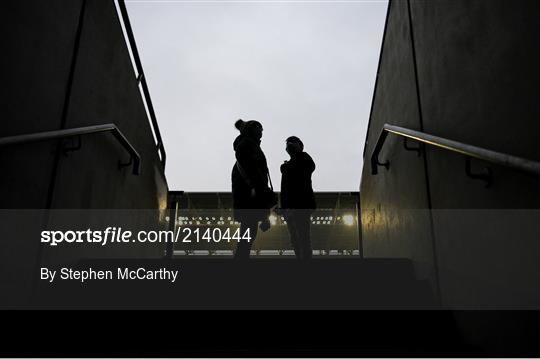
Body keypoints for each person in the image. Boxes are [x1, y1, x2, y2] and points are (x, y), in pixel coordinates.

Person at [231, 119, 275, 259]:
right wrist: (267, 197)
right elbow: (255, 175)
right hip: (250, 198)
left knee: (248, 234)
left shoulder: (248, 145)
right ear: (251, 129)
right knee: (248, 235)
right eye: (259, 127)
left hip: (249, 197)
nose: (262, 130)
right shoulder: (247, 145)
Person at [279, 136, 316, 260]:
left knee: (303, 239)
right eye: (288, 143)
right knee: (295, 240)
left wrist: (287, 167)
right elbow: (284, 190)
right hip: (290, 208)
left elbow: (308, 169)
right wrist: (283, 208)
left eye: (293, 142)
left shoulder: (304, 158)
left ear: (300, 145)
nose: (290, 144)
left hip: (301, 206)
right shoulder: (288, 167)